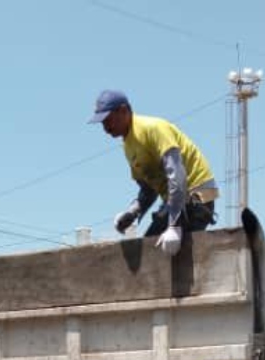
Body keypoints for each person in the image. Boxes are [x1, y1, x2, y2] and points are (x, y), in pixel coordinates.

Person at [89, 89, 219, 257]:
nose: (105, 128)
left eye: (108, 120)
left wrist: (174, 226)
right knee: (151, 250)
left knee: (171, 253)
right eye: (102, 123)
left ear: (123, 111)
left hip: (199, 194)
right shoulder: (128, 146)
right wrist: (132, 212)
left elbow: (177, 176)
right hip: (176, 200)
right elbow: (149, 189)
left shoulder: (154, 128)